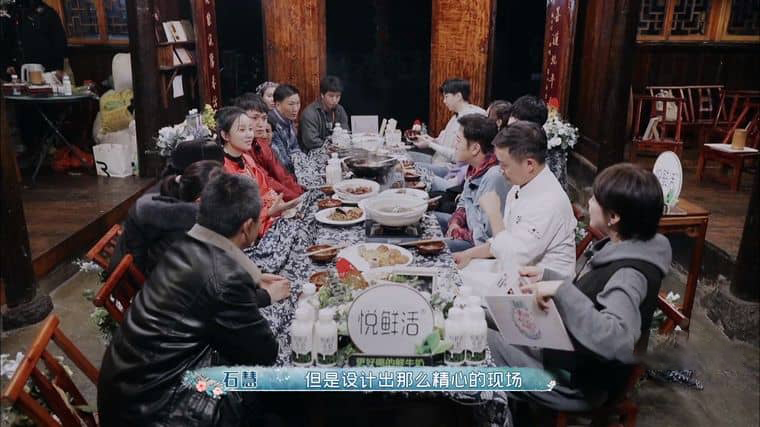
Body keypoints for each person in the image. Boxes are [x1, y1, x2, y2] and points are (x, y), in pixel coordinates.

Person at [98, 173, 291, 426]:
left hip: (125, 394)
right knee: (282, 402)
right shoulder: (224, 277)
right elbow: (263, 352)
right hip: (159, 411)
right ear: (247, 227)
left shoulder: (181, 246)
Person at [488, 163, 672, 413]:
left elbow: (617, 340)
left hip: (576, 384)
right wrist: (547, 276)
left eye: (595, 198)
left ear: (614, 217)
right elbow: (589, 296)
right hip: (566, 356)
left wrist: (561, 290)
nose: (589, 202)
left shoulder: (629, 274)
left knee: (479, 337)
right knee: (487, 317)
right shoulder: (625, 245)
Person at [453, 121, 576, 286]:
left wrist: (494, 214)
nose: (500, 171)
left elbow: (513, 257)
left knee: (461, 287)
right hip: (515, 272)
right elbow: (504, 240)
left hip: (542, 288)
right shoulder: (521, 184)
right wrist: (468, 254)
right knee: (456, 273)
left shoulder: (548, 202)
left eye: (504, 165)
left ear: (529, 164)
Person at [108, 160, 222, 277]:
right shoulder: (179, 227)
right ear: (199, 201)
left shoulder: (175, 188)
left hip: (131, 254)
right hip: (134, 277)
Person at [217, 106, 300, 237]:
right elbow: (235, 215)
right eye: (242, 130)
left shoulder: (247, 159)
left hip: (267, 221)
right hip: (245, 234)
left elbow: (266, 191)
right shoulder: (221, 169)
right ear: (225, 135)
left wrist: (279, 206)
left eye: (250, 129)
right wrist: (269, 212)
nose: (249, 135)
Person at [434, 114, 511, 252]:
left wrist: (458, 232)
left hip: (478, 245)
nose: (455, 146)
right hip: (467, 228)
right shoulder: (474, 167)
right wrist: (455, 222)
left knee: (431, 249)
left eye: (458, 140)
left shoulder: (494, 176)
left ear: (475, 148)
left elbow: (486, 236)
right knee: (426, 219)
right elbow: (464, 201)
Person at [233, 93, 303, 201]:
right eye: (255, 118)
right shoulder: (239, 149)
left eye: (264, 118)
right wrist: (296, 199)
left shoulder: (261, 143)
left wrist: (300, 195)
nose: (261, 124)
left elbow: (282, 174)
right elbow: (267, 181)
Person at [412, 78, 487, 167]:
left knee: (405, 166)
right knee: (405, 157)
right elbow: (444, 143)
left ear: (458, 96)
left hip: (449, 167)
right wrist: (429, 140)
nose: (444, 101)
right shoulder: (455, 116)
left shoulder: (473, 117)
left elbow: (456, 156)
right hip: (437, 160)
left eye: (446, 96)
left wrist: (430, 144)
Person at [3, 0, 67, 79]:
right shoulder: (12, 12)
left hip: (46, 71)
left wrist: (58, 67)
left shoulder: (47, 12)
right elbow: (7, 40)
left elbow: (59, 42)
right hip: (18, 71)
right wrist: (8, 64)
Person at [300, 75, 349, 151]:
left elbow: (345, 132)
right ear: (322, 95)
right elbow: (311, 141)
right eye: (331, 96)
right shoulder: (310, 113)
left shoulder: (340, 110)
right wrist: (330, 146)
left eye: (338, 96)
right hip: (314, 152)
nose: (335, 100)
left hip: (336, 149)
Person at [268, 84, 302, 173]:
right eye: (291, 104)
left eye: (298, 103)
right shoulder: (271, 124)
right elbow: (282, 161)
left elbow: (295, 146)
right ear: (278, 105)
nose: (295, 109)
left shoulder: (288, 119)